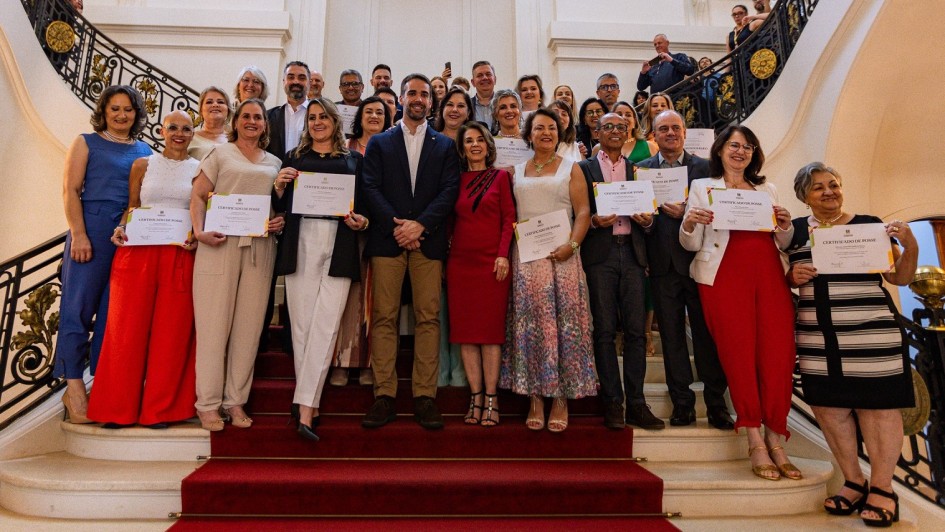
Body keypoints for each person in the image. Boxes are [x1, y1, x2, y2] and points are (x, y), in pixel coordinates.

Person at [786, 162, 917, 527]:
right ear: (803, 196)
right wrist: (790, 276)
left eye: (834, 185)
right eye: (818, 187)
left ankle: (883, 488)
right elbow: (783, 277)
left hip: (871, 334)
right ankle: (853, 481)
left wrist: (911, 246)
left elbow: (899, 277)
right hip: (816, 336)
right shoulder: (794, 232)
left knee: (879, 410)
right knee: (830, 410)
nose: (828, 192)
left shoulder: (870, 225)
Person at [680, 124, 796, 480]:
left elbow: (784, 241)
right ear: (719, 150)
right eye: (734, 145)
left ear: (754, 153)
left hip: (769, 275)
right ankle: (754, 439)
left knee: (778, 353)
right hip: (723, 276)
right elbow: (691, 243)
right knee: (738, 353)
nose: (740, 151)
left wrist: (786, 224)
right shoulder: (703, 187)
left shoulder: (767, 187)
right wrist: (689, 223)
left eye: (747, 146)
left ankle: (776, 436)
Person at [86, 110, 199, 429]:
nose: (179, 133)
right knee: (125, 330)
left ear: (193, 134)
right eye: (173, 127)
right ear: (162, 130)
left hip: (179, 253)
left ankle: (160, 410)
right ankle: (116, 409)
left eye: (186, 129)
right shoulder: (142, 164)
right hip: (137, 252)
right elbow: (132, 206)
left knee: (172, 334)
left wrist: (197, 239)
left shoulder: (200, 169)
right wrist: (121, 228)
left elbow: (200, 209)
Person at [360, 74, 460, 430]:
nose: (418, 99)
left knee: (428, 318)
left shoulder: (446, 146)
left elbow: (449, 190)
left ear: (431, 102)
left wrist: (421, 226)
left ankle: (424, 396)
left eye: (423, 94)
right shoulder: (380, 142)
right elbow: (369, 186)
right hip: (389, 240)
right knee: (384, 317)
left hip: (427, 241)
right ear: (401, 99)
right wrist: (397, 225)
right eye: (411, 93)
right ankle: (384, 395)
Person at [272, 99, 369, 442]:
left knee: (326, 324)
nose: (316, 122)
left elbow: (365, 207)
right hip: (301, 241)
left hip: (339, 244)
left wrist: (361, 222)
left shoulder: (354, 160)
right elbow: (279, 207)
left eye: (323, 116)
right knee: (300, 325)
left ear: (334, 120)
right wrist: (280, 187)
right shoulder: (293, 158)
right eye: (311, 118)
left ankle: (304, 402)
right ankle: (308, 407)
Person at [55, 85, 153, 424]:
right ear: (105, 111)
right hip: (92, 230)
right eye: (115, 109)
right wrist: (79, 234)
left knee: (115, 314)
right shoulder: (86, 142)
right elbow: (69, 190)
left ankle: (104, 386)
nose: (122, 115)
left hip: (128, 232)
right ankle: (74, 388)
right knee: (78, 308)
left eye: (128, 109)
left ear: (137, 113)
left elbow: (144, 197)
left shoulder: (146, 150)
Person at [190, 98, 285, 431]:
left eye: (258, 117)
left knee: (247, 330)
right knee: (214, 327)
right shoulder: (219, 154)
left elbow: (276, 206)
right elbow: (199, 194)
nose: (252, 121)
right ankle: (208, 403)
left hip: (260, 248)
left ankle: (235, 401)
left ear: (265, 125)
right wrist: (199, 231)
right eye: (246, 116)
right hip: (219, 244)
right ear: (236, 121)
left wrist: (277, 222)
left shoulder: (274, 162)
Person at [637, 111, 734, 430]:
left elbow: (721, 213)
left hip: (700, 263)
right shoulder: (643, 172)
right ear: (654, 134)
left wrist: (687, 213)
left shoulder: (705, 168)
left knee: (707, 336)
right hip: (662, 266)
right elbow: (642, 222)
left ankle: (717, 404)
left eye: (675, 128)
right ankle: (682, 403)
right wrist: (648, 221)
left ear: (684, 132)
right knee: (673, 337)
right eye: (662, 129)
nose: (670, 133)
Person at [501, 108, 595, 433]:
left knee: (563, 326)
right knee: (532, 327)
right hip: (527, 258)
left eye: (551, 128)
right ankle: (535, 397)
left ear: (559, 133)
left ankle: (560, 397)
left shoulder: (572, 169)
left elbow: (583, 211)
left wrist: (573, 244)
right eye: (539, 128)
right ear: (529, 134)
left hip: (563, 256)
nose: (545, 133)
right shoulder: (515, 170)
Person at [577, 113, 652, 430]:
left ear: (628, 132)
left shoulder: (639, 170)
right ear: (597, 131)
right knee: (604, 331)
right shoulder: (584, 169)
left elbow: (651, 218)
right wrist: (595, 221)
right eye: (608, 127)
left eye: (621, 127)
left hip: (633, 254)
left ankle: (637, 403)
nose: (615, 132)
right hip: (600, 255)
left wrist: (646, 219)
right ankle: (613, 402)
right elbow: (577, 212)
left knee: (636, 333)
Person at [447, 122, 515, 427]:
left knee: (489, 335)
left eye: (479, 140)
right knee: (465, 335)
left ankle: (491, 398)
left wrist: (503, 254)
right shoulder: (455, 180)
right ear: (462, 149)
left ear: (488, 145)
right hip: (461, 264)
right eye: (469, 141)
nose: (474, 145)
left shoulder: (501, 177)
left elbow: (509, 219)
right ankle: (474, 397)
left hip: (492, 264)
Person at [328, 96, 392, 388]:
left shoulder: (394, 148)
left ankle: (367, 363)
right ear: (359, 117)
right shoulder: (345, 148)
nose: (375, 116)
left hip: (381, 231)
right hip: (345, 232)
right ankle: (341, 362)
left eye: (380, 112)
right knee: (347, 297)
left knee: (374, 300)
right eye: (369, 111)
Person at [261, 60, 312, 358]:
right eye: (291, 76)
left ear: (308, 82)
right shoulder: (268, 117)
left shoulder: (319, 115)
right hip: (271, 200)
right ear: (283, 82)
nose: (296, 81)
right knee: (265, 277)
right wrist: (274, 205)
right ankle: (260, 337)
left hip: (308, 203)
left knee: (300, 274)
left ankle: (295, 342)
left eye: (301, 77)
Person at [432, 87, 476, 388]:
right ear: (441, 109)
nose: (455, 110)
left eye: (461, 105)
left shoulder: (474, 146)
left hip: (467, 228)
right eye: (450, 104)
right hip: (434, 226)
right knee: (436, 302)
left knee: (462, 303)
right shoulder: (430, 142)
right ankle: (440, 366)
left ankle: (460, 369)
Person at [189, 86, 231, 161]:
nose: (215, 105)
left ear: (228, 110)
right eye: (209, 102)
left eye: (220, 102)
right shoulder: (189, 138)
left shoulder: (235, 139)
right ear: (201, 110)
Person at [471, 61, 497, 129]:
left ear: (495, 80)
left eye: (488, 74)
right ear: (473, 82)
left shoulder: (505, 104)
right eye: (479, 75)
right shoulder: (466, 106)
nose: (485, 78)